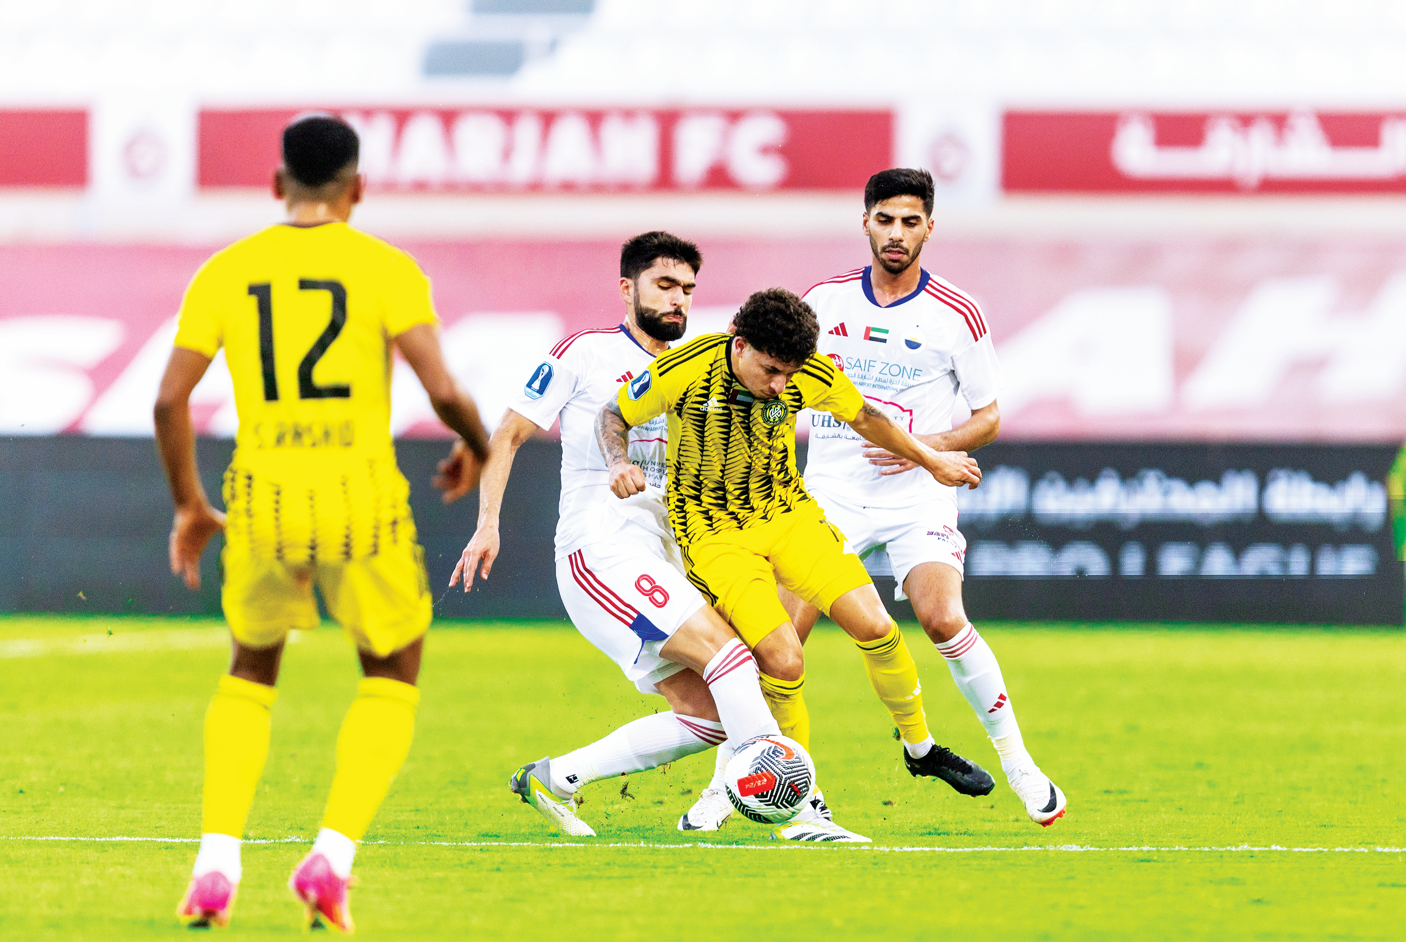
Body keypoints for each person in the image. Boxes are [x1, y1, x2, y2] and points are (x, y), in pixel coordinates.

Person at [156, 114, 490, 931]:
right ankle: (331, 859)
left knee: (250, 670)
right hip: (359, 500)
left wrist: (191, 505)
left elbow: (168, 401)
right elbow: (444, 389)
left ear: (277, 184)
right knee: (392, 670)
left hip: (263, 499)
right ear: (358, 188)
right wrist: (480, 448)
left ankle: (215, 864)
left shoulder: (227, 270)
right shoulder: (384, 268)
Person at [451, 232, 861, 841]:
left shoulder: (700, 363)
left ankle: (555, 778)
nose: (678, 300)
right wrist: (488, 522)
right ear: (627, 288)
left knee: (713, 714)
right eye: (665, 285)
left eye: (687, 289)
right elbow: (507, 434)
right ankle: (802, 814)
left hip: (667, 550)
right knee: (731, 661)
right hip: (602, 546)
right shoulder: (584, 352)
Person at [600, 286, 997, 834]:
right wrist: (618, 461)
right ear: (739, 344)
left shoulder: (805, 371)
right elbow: (612, 414)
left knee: (878, 627)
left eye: (789, 374)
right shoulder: (684, 368)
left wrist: (931, 460)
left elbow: (867, 417)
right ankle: (806, 808)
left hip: (789, 515)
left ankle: (921, 749)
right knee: (784, 661)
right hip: (715, 536)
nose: (780, 386)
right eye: (770, 371)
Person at [787, 167, 1066, 827]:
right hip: (829, 494)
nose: (896, 233)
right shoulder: (822, 302)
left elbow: (989, 417)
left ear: (929, 229)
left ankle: (1019, 764)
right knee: (780, 640)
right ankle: (746, 781)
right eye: (885, 219)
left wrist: (926, 448)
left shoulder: (956, 313)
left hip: (915, 496)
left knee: (942, 619)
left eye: (910, 222)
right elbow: (776, 385)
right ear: (865, 222)